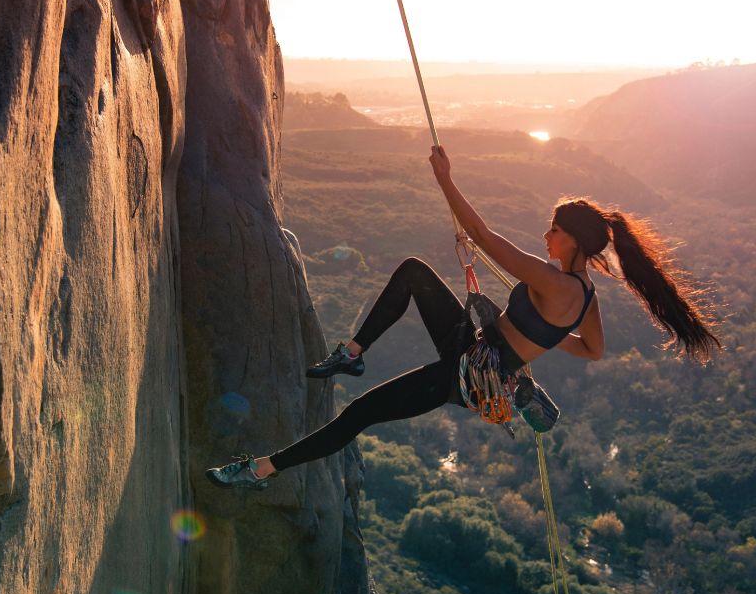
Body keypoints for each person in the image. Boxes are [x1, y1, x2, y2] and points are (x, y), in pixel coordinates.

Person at [207, 145, 720, 489]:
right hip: (477, 349)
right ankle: (354, 354)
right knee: (412, 272)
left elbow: (484, 235)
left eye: (554, 230)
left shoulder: (555, 281)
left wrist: (444, 179)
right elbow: (594, 350)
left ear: (575, 241)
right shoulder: (585, 298)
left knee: (358, 415)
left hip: (467, 373)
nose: (546, 236)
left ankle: (260, 469)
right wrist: (543, 342)